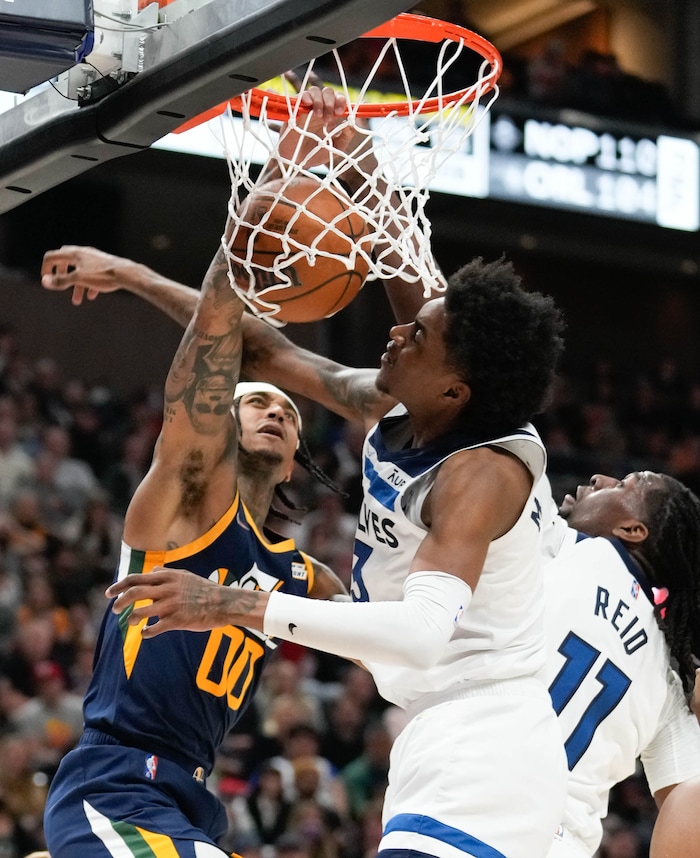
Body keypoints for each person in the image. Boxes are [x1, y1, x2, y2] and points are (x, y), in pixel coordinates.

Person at [90, 82, 570, 858]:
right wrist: (351, 156)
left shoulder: (479, 475)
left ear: (454, 387)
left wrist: (234, 603)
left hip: (488, 732)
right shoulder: (411, 399)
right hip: (440, 726)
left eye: (417, 338)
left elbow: (417, 635)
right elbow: (273, 346)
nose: (396, 334)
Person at [39, 192, 347, 854]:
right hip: (118, 781)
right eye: (257, 402)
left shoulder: (302, 574)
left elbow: (387, 627)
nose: (277, 412)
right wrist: (252, 225)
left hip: (192, 801)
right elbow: (214, 342)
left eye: (288, 414)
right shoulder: (185, 501)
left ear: (296, 462)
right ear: (221, 425)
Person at [539, 471, 700, 857]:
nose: (600, 477)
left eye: (625, 484)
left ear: (632, 529)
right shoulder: (668, 674)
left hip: (467, 805)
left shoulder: (559, 543)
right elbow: (687, 801)